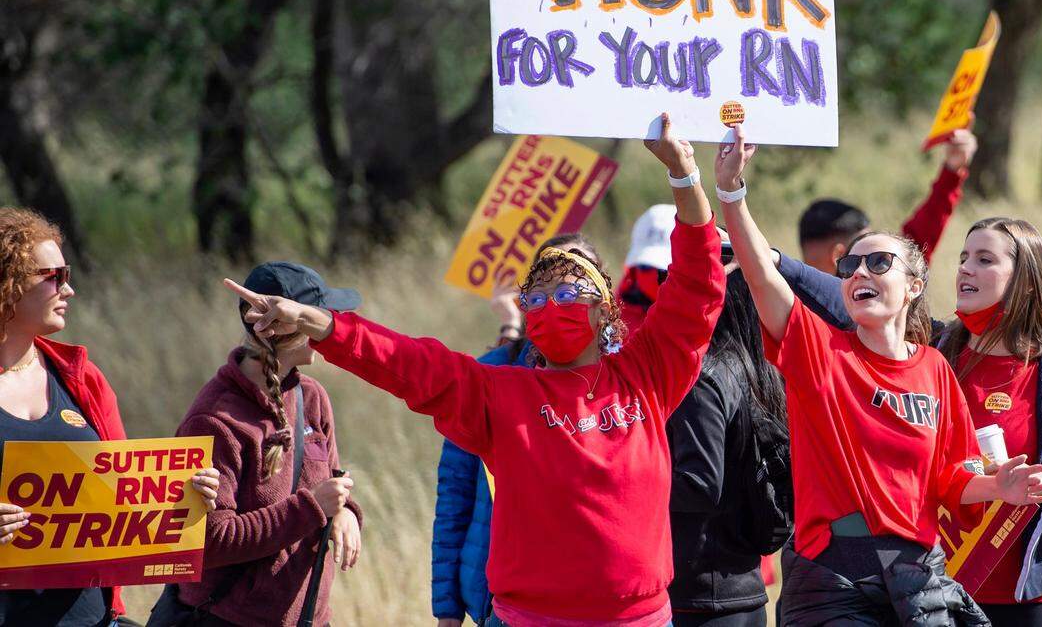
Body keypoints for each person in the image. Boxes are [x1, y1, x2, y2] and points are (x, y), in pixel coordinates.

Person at [226, 114, 726, 626]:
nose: (553, 304)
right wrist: (320, 322)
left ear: (605, 308)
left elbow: (698, 285)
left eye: (569, 292)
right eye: (538, 296)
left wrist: (684, 175)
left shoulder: (644, 376)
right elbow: (405, 362)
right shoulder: (498, 394)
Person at [713, 126, 1042, 625]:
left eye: (878, 262)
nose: (859, 273)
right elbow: (762, 273)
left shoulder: (934, 366)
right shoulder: (816, 346)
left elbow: (953, 477)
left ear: (914, 285)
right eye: (850, 264)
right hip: (833, 577)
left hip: (917, 577)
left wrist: (999, 486)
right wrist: (731, 193)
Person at [776, 216, 1042, 626]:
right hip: (934, 590)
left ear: (1026, 282)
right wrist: (776, 261)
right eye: (963, 257)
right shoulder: (933, 352)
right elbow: (851, 294)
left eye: (985, 259)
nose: (965, 269)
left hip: (1031, 599)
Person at [0, 207, 220, 627]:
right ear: (7, 285)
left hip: (93, 618)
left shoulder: (83, 378)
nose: (70, 290)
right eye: (54, 277)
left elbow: (121, 495)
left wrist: (184, 495)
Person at [171, 262, 363, 626]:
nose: (328, 324)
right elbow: (209, 541)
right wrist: (314, 508)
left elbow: (332, 480)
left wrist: (345, 511)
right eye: (315, 316)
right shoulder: (214, 420)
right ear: (280, 327)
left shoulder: (312, 395)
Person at [431, 234, 602, 627]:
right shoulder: (491, 374)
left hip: (598, 598)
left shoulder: (628, 376)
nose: (565, 297)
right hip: (500, 599)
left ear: (602, 299)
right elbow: (454, 494)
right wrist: (447, 609)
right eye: (551, 286)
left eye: (577, 284)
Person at [667, 255, 787, 627]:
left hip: (702, 595)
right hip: (742, 587)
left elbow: (699, 484)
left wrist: (626, 481)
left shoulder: (703, 376)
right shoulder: (761, 368)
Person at [798, 127, 978, 273]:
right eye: (871, 251)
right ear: (839, 256)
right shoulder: (875, 296)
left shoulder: (782, 306)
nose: (883, 260)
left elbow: (917, 242)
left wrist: (952, 171)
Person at [617, 204, 676, 335]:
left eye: (666, 268)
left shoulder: (718, 306)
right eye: (646, 266)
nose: (657, 275)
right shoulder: (614, 314)